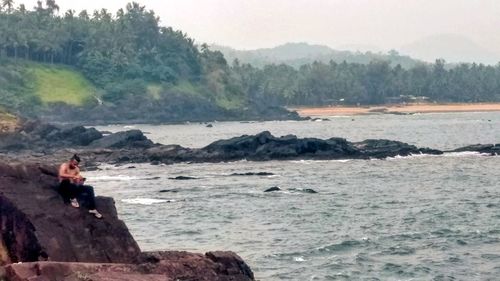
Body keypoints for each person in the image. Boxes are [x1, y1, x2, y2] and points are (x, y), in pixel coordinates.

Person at [58, 154, 103, 219]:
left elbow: (77, 181)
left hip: (72, 187)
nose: (75, 166)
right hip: (64, 187)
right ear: (70, 161)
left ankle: (92, 208)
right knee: (67, 181)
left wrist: (80, 180)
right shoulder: (64, 165)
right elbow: (61, 174)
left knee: (90, 188)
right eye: (74, 164)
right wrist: (73, 176)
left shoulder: (76, 169)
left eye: (76, 164)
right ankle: (72, 199)